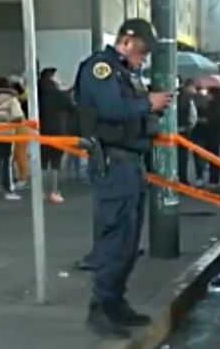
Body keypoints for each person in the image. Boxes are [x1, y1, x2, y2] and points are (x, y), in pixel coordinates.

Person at [75, 18, 172, 338]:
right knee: (114, 236)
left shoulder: (126, 74)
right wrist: (149, 102)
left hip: (131, 162)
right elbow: (112, 109)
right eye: (141, 52)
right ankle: (101, 308)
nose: (142, 59)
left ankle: (115, 302)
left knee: (129, 241)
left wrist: (150, 112)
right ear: (127, 41)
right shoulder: (100, 69)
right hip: (113, 162)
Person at [39, 67, 76, 204]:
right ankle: (53, 191)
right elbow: (71, 107)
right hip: (57, 130)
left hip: (39, 131)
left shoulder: (37, 93)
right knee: (55, 162)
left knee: (42, 162)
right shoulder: (57, 94)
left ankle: (40, 191)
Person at [203, 86, 220, 187]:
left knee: (214, 157)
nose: (206, 95)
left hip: (214, 133)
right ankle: (218, 178)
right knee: (218, 156)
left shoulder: (214, 105)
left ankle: (214, 179)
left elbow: (212, 118)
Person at [9, 75, 31, 189]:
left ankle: (22, 178)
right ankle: (21, 177)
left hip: (19, 126)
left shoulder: (16, 99)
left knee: (19, 154)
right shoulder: (23, 97)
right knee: (18, 154)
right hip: (22, 126)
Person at [176, 78, 199, 185]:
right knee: (182, 158)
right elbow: (193, 115)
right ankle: (182, 180)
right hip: (183, 131)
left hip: (170, 131)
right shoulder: (188, 98)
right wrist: (190, 126)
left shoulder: (172, 94)